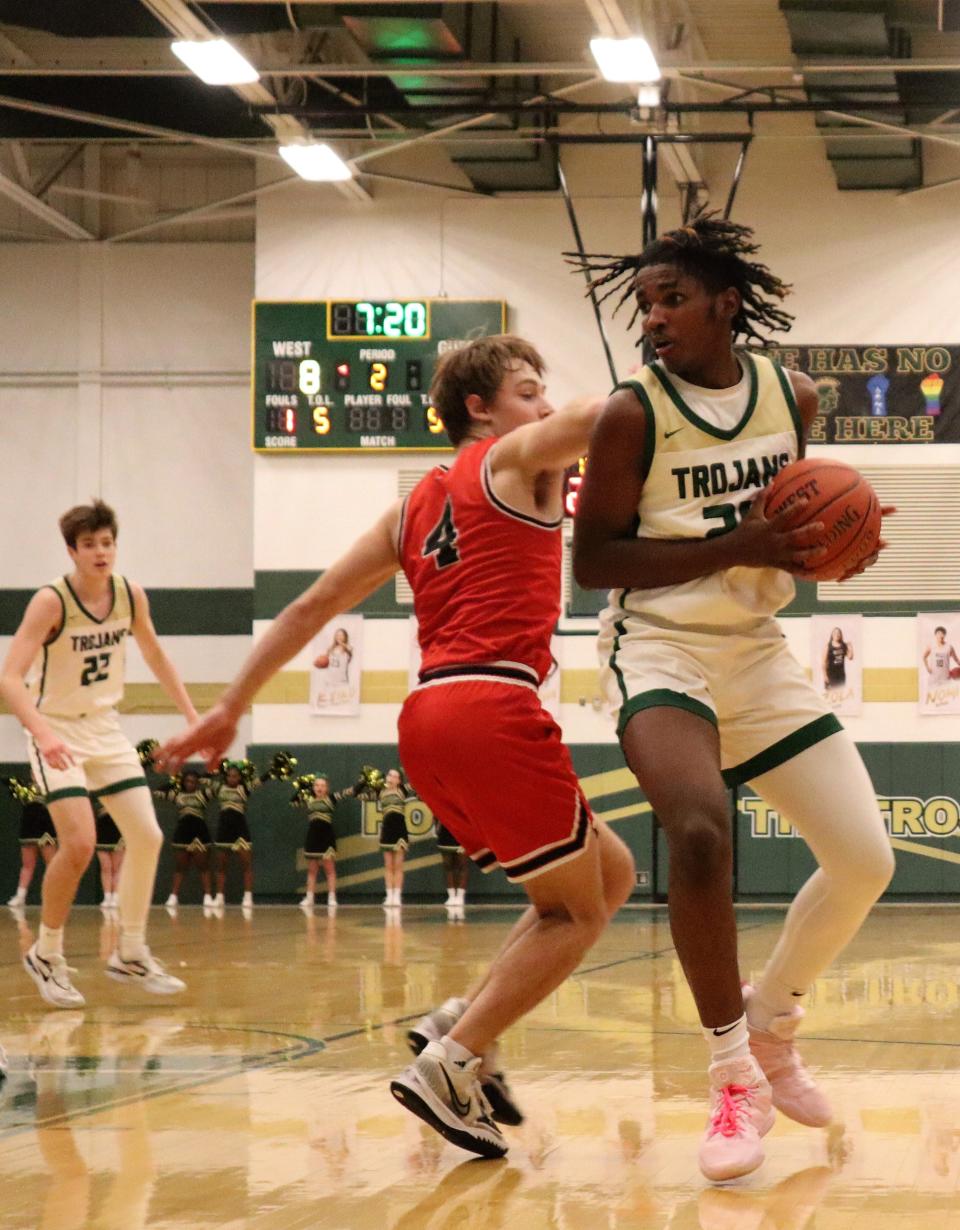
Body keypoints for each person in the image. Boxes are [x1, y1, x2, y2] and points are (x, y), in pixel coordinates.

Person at [157, 334, 635, 1161]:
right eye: (528, 391)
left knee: (612, 870)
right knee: (579, 912)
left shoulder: (411, 506)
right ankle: (451, 1063)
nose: (544, 407)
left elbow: (312, 605)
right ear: (479, 410)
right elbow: (601, 415)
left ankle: (460, 1019)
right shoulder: (512, 456)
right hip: (492, 704)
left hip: (426, 717)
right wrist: (670, 381)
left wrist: (233, 703)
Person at [570, 212, 895, 1181]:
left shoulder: (791, 397)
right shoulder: (633, 412)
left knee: (865, 859)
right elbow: (594, 563)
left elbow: (800, 520)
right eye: (645, 305)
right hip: (658, 648)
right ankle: (729, 1077)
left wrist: (845, 540)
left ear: (727, 303)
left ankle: (776, 1018)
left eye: (672, 300)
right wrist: (735, 548)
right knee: (703, 834)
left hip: (755, 649)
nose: (655, 319)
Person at [0, 499, 193, 1007]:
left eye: (107, 542)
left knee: (147, 836)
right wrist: (43, 733)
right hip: (56, 730)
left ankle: (129, 951)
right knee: (81, 843)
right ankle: (47, 953)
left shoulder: (129, 595)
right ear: (72, 551)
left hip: (105, 729)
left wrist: (195, 718)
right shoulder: (51, 602)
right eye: (89, 545)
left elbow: (154, 653)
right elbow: (9, 677)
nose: (101, 552)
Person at [154, 768, 214, 908]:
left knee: (203, 866)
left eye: (193, 781)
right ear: (183, 782)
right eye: (187, 781)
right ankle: (173, 897)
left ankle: (208, 896)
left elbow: (215, 788)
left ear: (197, 783)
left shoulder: (203, 794)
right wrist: (174, 782)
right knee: (180, 867)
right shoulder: (177, 795)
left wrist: (207, 775)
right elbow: (158, 793)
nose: (190, 784)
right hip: (183, 833)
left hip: (200, 832)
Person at [292, 773, 353, 911]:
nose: (319, 788)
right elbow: (293, 802)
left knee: (329, 869)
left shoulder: (331, 799)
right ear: (313, 787)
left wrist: (361, 784)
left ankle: (332, 897)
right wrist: (301, 788)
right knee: (312, 870)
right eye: (317, 785)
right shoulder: (308, 799)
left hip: (326, 837)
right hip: (313, 836)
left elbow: (346, 792)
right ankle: (309, 897)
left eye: (322, 785)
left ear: (327, 788)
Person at [210, 761, 260, 909]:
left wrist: (272, 772)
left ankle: (248, 896)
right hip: (224, 829)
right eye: (229, 776)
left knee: (246, 864)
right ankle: (219, 897)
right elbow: (203, 779)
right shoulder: (219, 788)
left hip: (240, 828)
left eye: (235, 776)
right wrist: (214, 768)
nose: (232, 779)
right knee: (221, 865)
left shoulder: (244, 789)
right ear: (226, 777)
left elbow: (259, 781)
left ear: (240, 777)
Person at [5, 777, 57, 909]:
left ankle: (53, 897)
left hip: (46, 828)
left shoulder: (51, 786)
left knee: (52, 865)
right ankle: (20, 896)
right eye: (32, 771)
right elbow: (16, 792)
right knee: (27, 864)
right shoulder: (26, 789)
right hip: (29, 827)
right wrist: (12, 784)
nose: (34, 773)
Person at [378, 768, 411, 908]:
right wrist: (364, 781)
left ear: (399, 780)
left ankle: (397, 896)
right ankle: (389, 895)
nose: (391, 778)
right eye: (390, 775)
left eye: (395, 776)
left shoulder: (402, 791)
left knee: (398, 865)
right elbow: (357, 794)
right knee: (388, 865)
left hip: (399, 831)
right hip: (386, 830)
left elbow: (416, 782)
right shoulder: (380, 792)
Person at [93, 796, 124, 910]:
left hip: (118, 833)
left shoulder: (122, 796)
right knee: (106, 867)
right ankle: (107, 896)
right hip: (101, 834)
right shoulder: (96, 797)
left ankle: (115, 896)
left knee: (116, 867)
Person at [436, 818, 468, 911]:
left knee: (462, 864)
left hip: (461, 830)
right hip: (445, 831)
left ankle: (460, 896)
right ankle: (451, 895)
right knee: (448, 865)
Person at [824, 627, 853, 692]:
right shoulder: (828, 646)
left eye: (838, 633)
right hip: (830, 675)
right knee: (830, 697)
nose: (837, 634)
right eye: (835, 633)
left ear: (840, 635)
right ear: (832, 635)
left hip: (841, 675)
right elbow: (824, 662)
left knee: (840, 696)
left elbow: (850, 657)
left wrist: (850, 647)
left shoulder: (843, 646)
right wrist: (825, 676)